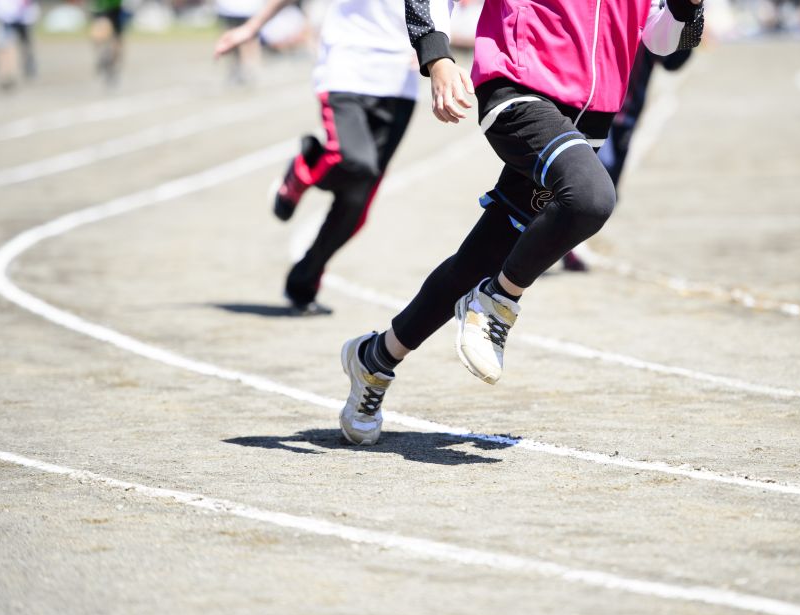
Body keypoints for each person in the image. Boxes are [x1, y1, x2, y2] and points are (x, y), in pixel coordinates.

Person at [338, 0, 704, 445]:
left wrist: (690, 8)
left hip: (587, 121)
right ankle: (497, 302)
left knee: (481, 256)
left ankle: (375, 360)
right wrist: (436, 56)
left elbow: (660, 40)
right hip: (518, 92)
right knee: (591, 198)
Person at [215, 0, 419, 314]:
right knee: (355, 161)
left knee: (358, 200)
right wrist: (252, 27)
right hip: (347, 68)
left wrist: (435, 51)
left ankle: (303, 281)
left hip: (402, 83)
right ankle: (303, 171)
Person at [599, 45, 693, 188]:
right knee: (599, 178)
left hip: (625, 114)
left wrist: (687, 28)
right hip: (589, 108)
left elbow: (672, 62)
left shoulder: (649, 22)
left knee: (607, 186)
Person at [0, 0, 37, 90]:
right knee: (6, 47)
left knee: (25, 44)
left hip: (23, 17)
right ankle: (7, 74)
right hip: (7, 18)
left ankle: (28, 64)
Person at [89, 0, 126, 85]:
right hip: (101, 8)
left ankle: (110, 60)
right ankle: (104, 55)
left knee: (116, 38)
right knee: (100, 32)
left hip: (113, 8)